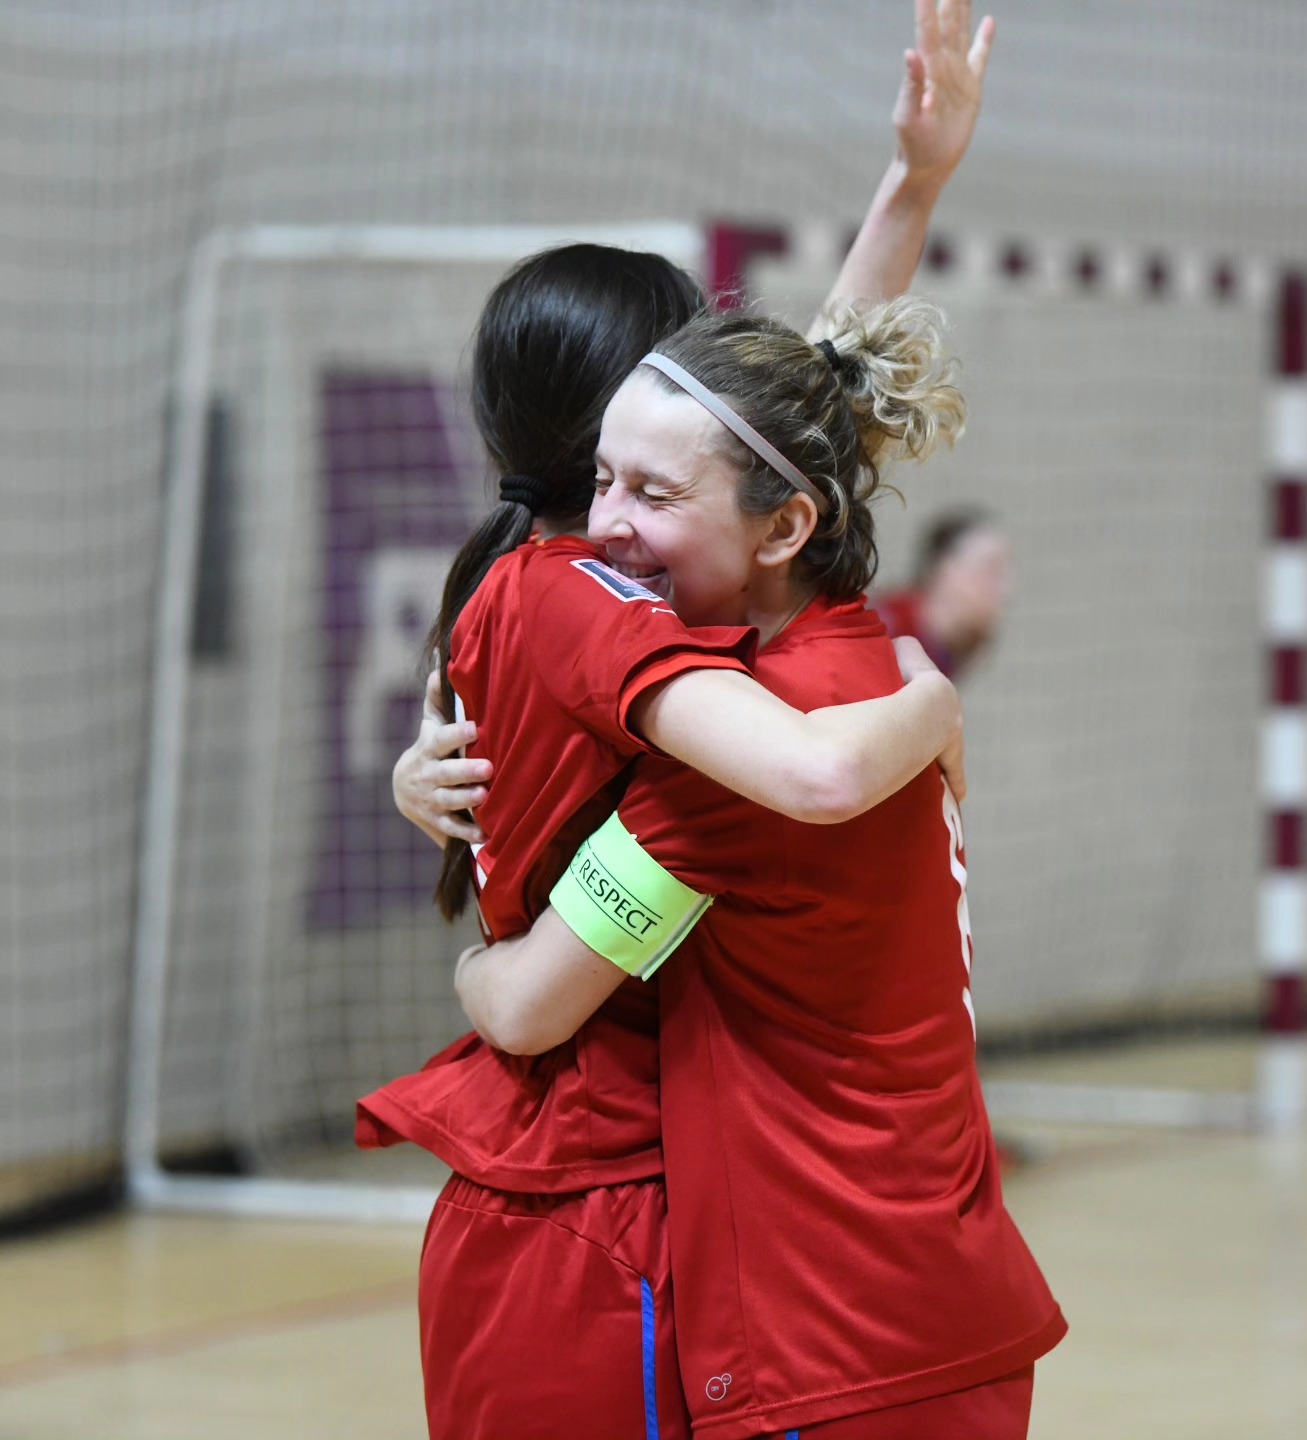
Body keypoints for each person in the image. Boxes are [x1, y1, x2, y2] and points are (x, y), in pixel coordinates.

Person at [362, 9, 1001, 1437]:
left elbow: (809, 412)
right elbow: (817, 765)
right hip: (611, 1197)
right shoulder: (621, 620)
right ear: (620, 435)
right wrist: (934, 696)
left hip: (604, 1179)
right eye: (636, 469)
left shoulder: (540, 579)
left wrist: (913, 188)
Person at [456, 300, 1064, 1439]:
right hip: (939, 1286)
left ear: (783, 529)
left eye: (653, 494)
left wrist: (471, 971)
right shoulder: (860, 648)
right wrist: (910, 188)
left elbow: (530, 1008)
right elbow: (796, 415)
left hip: (837, 1332)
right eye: (601, 479)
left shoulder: (744, 755)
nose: (605, 528)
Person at [873, 505, 1013, 680]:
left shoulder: (945, 648)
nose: (1005, 589)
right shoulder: (885, 633)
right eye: (991, 570)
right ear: (944, 570)